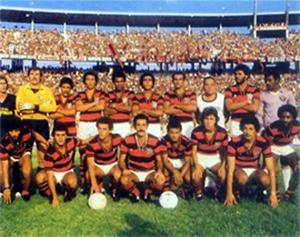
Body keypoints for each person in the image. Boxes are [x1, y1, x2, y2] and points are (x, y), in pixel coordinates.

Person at [224, 115, 278, 208]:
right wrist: (229, 193)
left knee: (265, 180)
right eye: (245, 128)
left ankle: (257, 192)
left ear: (256, 130)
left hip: (254, 169)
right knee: (242, 179)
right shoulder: (234, 142)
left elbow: (271, 169)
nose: (247, 132)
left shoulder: (263, 142)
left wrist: (273, 194)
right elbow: (230, 169)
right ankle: (236, 191)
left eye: (251, 129)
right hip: (239, 168)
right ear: (241, 129)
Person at [35, 122, 92, 208]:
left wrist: (98, 136)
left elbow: (84, 141)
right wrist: (55, 198)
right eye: (57, 135)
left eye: (63, 135)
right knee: (39, 177)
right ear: (53, 136)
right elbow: (50, 176)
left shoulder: (72, 142)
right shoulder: (50, 152)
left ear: (66, 135)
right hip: (54, 173)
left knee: (73, 183)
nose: (60, 138)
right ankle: (50, 194)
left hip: (67, 171)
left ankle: (67, 191)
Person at [258, 70, 296, 190]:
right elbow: (259, 114)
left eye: (270, 80)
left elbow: (293, 111)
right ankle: (263, 190)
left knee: (285, 162)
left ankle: (286, 188)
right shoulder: (263, 95)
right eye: (266, 81)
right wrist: (261, 129)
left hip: (284, 131)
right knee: (268, 162)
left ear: (277, 80)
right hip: (270, 132)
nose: (267, 83)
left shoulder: (287, 93)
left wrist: (291, 129)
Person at [16, 67, 56, 170]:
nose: (34, 76)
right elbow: (20, 107)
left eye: (37, 74)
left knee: (42, 153)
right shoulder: (23, 89)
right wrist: (42, 107)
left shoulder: (46, 90)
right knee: (25, 154)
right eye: (32, 74)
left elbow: (52, 107)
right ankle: (24, 180)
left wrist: (33, 107)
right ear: (28, 76)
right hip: (26, 122)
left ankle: (41, 180)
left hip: (41, 122)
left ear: (41, 77)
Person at [119, 114, 165, 202]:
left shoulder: (155, 140)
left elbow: (159, 161)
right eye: (138, 125)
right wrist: (124, 169)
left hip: (149, 171)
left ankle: (148, 191)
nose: (141, 128)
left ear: (147, 126)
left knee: (160, 181)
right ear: (134, 126)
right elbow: (121, 160)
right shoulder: (127, 140)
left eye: (143, 125)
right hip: (134, 171)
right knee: (123, 180)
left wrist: (159, 171)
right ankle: (135, 192)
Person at [74, 71, 107, 191]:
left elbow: (101, 107)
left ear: (96, 81)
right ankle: (84, 181)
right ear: (84, 81)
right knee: (83, 152)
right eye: (88, 79)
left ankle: (98, 183)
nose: (90, 82)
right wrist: (93, 103)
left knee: (97, 153)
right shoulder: (80, 95)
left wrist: (85, 107)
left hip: (95, 124)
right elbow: (78, 108)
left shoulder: (101, 94)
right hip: (83, 124)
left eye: (92, 79)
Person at [263, 104, 300, 202]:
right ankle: (275, 192)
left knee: (298, 168)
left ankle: (289, 193)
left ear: (293, 118)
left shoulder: (297, 125)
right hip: (274, 147)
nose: (285, 120)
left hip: (288, 147)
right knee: (270, 170)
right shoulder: (273, 127)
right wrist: (272, 163)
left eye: (288, 117)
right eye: (283, 117)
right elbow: (267, 144)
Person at [191, 107, 228, 201]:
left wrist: (223, 166)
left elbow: (225, 152)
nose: (208, 122)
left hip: (215, 157)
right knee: (195, 175)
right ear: (202, 120)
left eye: (211, 119)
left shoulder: (222, 132)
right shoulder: (196, 131)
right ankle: (199, 193)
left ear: (216, 120)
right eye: (206, 119)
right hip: (201, 156)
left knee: (224, 175)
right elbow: (194, 151)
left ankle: (218, 191)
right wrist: (196, 167)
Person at [0, 117, 37, 203]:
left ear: (20, 129)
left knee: (27, 172)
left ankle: (25, 191)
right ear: (7, 131)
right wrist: (6, 187)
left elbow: (35, 135)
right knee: (1, 171)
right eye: (11, 131)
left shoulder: (27, 132)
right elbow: (5, 166)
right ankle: (3, 190)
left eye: (16, 130)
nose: (14, 134)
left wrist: (45, 142)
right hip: (11, 157)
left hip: (23, 154)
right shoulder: (3, 142)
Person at [86, 117, 122, 201]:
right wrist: (93, 183)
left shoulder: (117, 138)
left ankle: (114, 187)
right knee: (88, 175)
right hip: (99, 166)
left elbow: (125, 152)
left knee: (118, 175)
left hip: (112, 164)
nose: (101, 132)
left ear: (110, 130)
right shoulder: (92, 144)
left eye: (104, 129)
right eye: (99, 129)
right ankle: (99, 185)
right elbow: (90, 165)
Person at [224, 64, 260, 137]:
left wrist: (236, 103)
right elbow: (229, 107)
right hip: (235, 123)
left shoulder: (254, 90)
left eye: (240, 74)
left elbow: (254, 108)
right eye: (236, 74)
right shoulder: (229, 89)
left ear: (246, 75)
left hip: (249, 123)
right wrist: (247, 102)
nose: (237, 76)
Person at [160, 118, 192, 199]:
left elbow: (188, 162)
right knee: (165, 171)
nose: (174, 135)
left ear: (180, 132)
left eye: (177, 133)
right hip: (169, 159)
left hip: (181, 160)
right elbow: (165, 160)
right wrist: (174, 172)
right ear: (167, 132)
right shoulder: (164, 140)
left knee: (188, 176)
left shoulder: (186, 142)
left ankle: (186, 191)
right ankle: (166, 191)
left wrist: (180, 176)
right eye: (171, 132)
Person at [164, 71, 197, 139]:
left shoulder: (190, 93)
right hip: (174, 124)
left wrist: (176, 106)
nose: (177, 82)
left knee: (188, 144)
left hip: (188, 123)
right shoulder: (168, 94)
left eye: (180, 79)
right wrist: (185, 109)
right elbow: (167, 110)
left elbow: (193, 108)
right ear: (172, 81)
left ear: (183, 81)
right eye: (175, 79)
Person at [0, 75, 18, 196]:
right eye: (0, 83)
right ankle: (2, 187)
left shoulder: (13, 98)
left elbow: (17, 115)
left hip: (10, 133)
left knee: (15, 160)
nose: (3, 85)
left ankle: (17, 187)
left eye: (4, 83)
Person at [132, 73, 164, 138]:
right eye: (145, 80)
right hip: (142, 127)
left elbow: (160, 112)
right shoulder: (137, 97)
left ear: (153, 83)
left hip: (155, 126)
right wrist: (153, 112)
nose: (147, 82)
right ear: (141, 83)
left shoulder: (158, 97)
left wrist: (143, 110)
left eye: (149, 80)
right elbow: (135, 112)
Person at [104, 70, 134, 138]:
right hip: (112, 125)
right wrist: (123, 108)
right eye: (117, 81)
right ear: (113, 82)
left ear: (124, 82)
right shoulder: (108, 94)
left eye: (121, 81)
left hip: (125, 125)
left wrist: (114, 106)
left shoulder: (129, 93)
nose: (119, 84)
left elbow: (130, 109)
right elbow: (106, 111)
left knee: (125, 147)